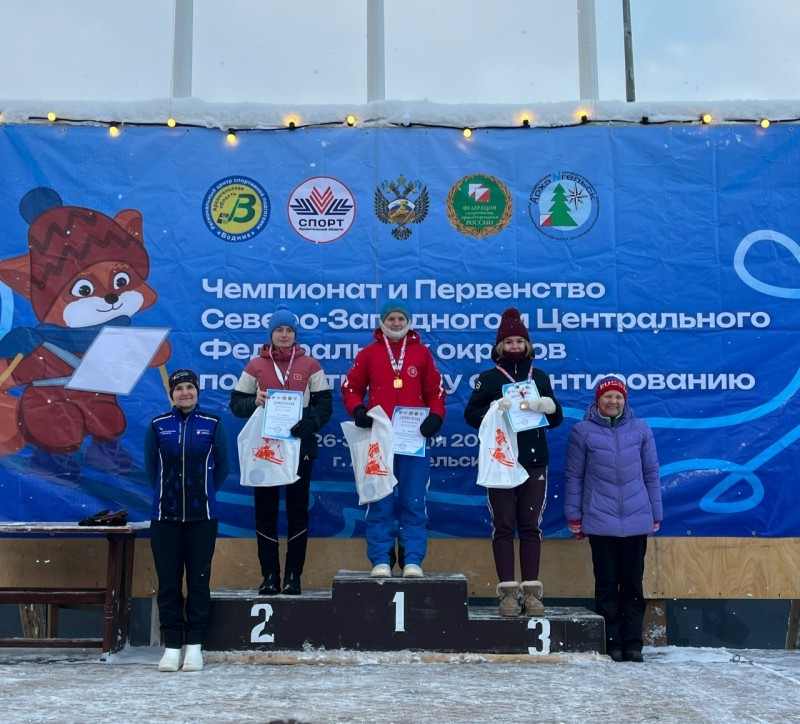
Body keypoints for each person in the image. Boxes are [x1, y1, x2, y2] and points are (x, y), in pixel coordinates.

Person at [464, 307, 563, 617]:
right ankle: (508, 594)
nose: (515, 346)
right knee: (504, 526)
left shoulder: (540, 376)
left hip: (534, 459)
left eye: (520, 341)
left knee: (531, 526)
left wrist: (547, 405)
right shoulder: (488, 378)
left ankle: (532, 594)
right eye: (509, 342)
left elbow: (556, 419)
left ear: (528, 344)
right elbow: (470, 416)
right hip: (502, 461)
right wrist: (495, 408)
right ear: (500, 346)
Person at [230, 303, 332, 596]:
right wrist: (254, 401)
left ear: (295, 334)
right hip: (265, 450)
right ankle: (270, 576)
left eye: (289, 330)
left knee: (298, 511)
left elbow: (325, 404)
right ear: (271, 334)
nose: (284, 335)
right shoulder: (256, 365)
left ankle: (293, 577)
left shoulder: (310, 365)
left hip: (300, 447)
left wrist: (311, 422)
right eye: (279, 330)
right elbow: (236, 404)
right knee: (266, 512)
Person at [342, 300, 446, 579]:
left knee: (414, 500)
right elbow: (350, 388)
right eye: (391, 319)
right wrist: (358, 410)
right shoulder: (369, 353)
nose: (396, 323)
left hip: (414, 438)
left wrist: (436, 416)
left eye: (401, 318)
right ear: (382, 322)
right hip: (379, 438)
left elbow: (436, 392)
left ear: (408, 322)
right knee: (380, 499)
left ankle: (413, 559)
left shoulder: (422, 353)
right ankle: (381, 559)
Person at [564, 374, 663, 663]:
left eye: (618, 396)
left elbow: (651, 473)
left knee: (632, 584)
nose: (613, 401)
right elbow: (574, 476)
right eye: (608, 396)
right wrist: (574, 516)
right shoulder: (582, 431)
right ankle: (612, 643)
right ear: (598, 400)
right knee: (607, 584)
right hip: (600, 519)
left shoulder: (641, 429)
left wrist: (655, 514)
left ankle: (633, 643)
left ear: (625, 401)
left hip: (636, 518)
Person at [144, 368, 231, 672]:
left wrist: (201, 492)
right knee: (168, 583)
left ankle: (194, 645)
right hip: (164, 517)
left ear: (197, 392)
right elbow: (152, 469)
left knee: (199, 581)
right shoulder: (158, 425)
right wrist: (168, 495)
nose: (185, 393)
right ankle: (172, 646)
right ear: (171, 394)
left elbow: (223, 466)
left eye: (190, 388)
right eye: (179, 388)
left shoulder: (212, 424)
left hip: (202, 517)